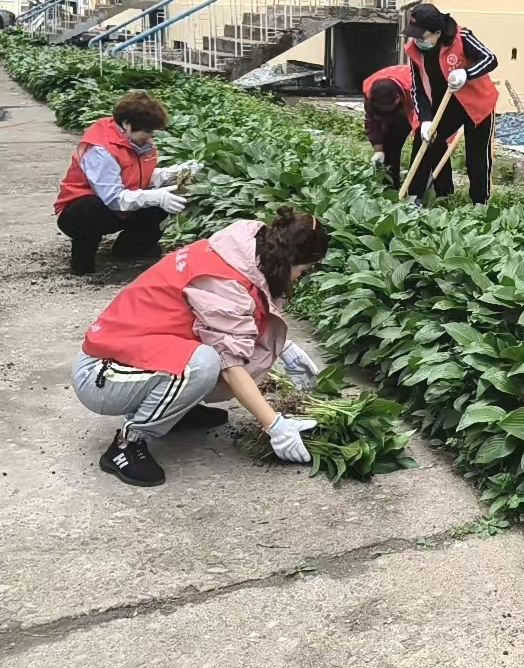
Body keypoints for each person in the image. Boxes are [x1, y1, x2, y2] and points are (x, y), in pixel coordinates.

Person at [71, 208, 330, 487]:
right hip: (103, 372)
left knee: (208, 358)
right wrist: (275, 426)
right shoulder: (226, 280)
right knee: (205, 362)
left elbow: (228, 324)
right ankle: (128, 444)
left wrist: (284, 347)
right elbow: (230, 362)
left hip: (134, 355)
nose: (298, 279)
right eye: (303, 271)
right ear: (289, 260)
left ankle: (176, 410)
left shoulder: (243, 252)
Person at [53, 90, 197, 276]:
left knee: (159, 203)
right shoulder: (101, 149)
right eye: (146, 131)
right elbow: (112, 197)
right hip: (82, 212)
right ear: (127, 125)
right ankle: (82, 262)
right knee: (91, 207)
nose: (150, 137)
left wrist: (172, 174)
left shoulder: (138, 144)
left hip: (119, 209)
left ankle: (129, 249)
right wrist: (155, 196)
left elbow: (137, 176)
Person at [402, 3, 499, 204]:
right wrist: (426, 120)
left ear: (437, 32)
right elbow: (418, 88)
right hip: (446, 105)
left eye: (422, 36)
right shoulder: (414, 51)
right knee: (426, 141)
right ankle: (424, 196)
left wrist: (466, 73)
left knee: (477, 156)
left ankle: (480, 203)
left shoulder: (462, 37)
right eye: (415, 36)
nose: (417, 41)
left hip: (477, 104)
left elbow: (490, 59)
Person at [362, 63, 419, 189]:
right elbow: (372, 122)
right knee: (389, 141)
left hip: (415, 97)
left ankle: (420, 186)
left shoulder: (415, 83)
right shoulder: (369, 89)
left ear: (397, 99)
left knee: (423, 142)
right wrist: (379, 151)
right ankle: (390, 186)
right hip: (397, 93)